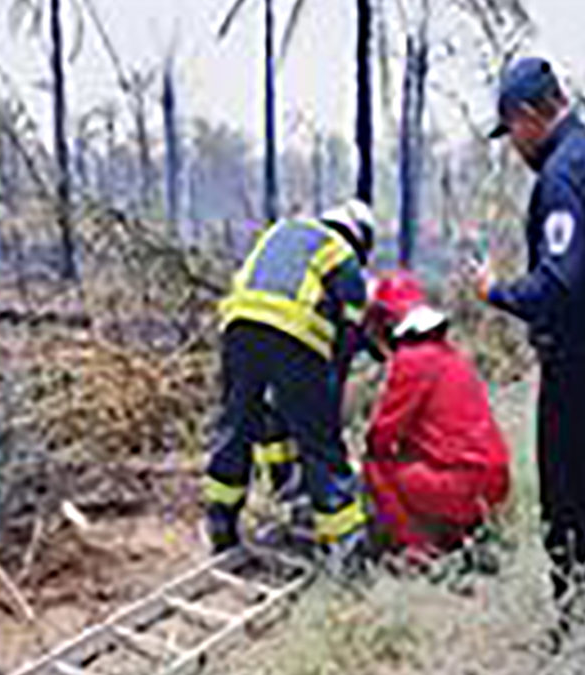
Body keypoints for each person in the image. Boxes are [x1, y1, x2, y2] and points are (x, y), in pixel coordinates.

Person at [471, 57, 585, 655]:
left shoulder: (563, 176)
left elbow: (558, 284)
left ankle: (581, 636)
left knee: (568, 511)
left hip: (580, 369)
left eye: (511, 132)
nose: (513, 146)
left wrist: (497, 291)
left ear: (526, 116)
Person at [204, 199, 377, 568]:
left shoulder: (283, 231)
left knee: (239, 423)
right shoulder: (341, 253)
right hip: (293, 336)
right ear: (360, 240)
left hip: (237, 327)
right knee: (320, 440)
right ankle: (345, 546)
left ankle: (222, 521)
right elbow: (346, 341)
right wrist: (329, 399)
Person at [363, 274, 510, 560]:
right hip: (491, 481)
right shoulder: (449, 356)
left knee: (376, 464)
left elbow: (382, 437)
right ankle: (455, 541)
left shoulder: (411, 361)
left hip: (462, 483)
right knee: (414, 457)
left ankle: (417, 553)